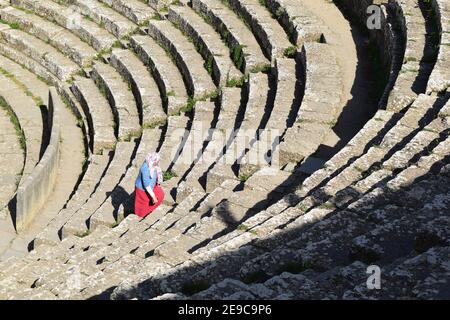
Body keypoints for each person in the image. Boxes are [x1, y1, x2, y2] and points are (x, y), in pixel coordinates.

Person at [134, 151, 165, 218]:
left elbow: (156, 174)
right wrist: (153, 196)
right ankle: (141, 217)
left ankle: (150, 211)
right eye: (157, 161)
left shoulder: (153, 165)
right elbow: (146, 185)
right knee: (144, 204)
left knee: (160, 195)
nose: (158, 162)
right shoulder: (145, 168)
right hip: (143, 189)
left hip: (153, 185)